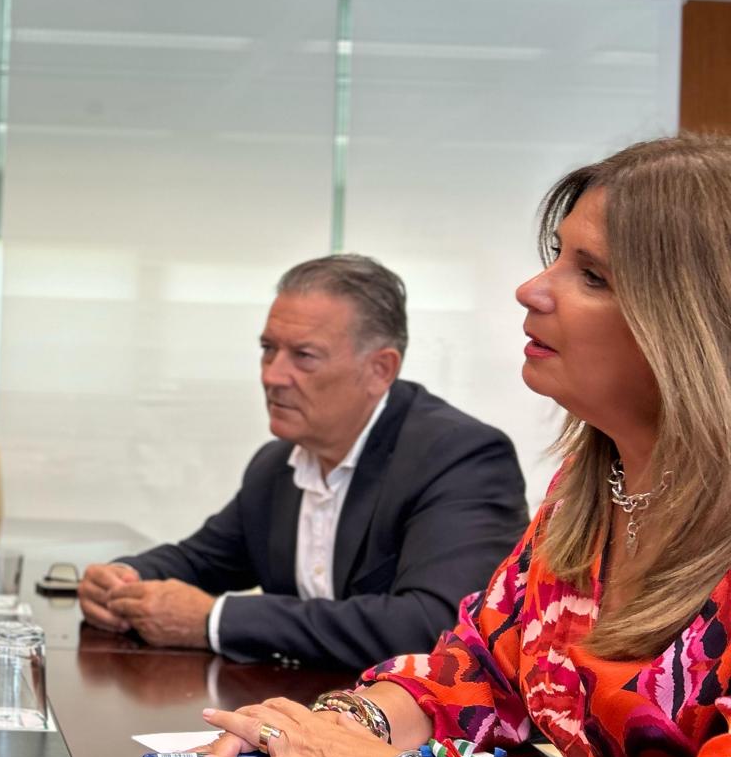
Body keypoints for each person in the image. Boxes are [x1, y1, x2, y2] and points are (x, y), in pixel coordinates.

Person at [173, 134, 731, 757]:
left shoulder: (455, 452)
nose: (531, 289)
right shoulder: (588, 494)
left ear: (700, 323)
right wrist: (323, 728)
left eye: (592, 275)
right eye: (555, 257)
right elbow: (472, 672)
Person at [80, 254, 528, 670]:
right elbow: (202, 560)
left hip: (420, 743)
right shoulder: (278, 464)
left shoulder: (460, 456)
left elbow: (436, 627)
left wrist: (216, 620)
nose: (272, 375)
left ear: (380, 370)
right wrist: (124, 579)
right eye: (268, 349)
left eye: (303, 356)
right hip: (303, 718)